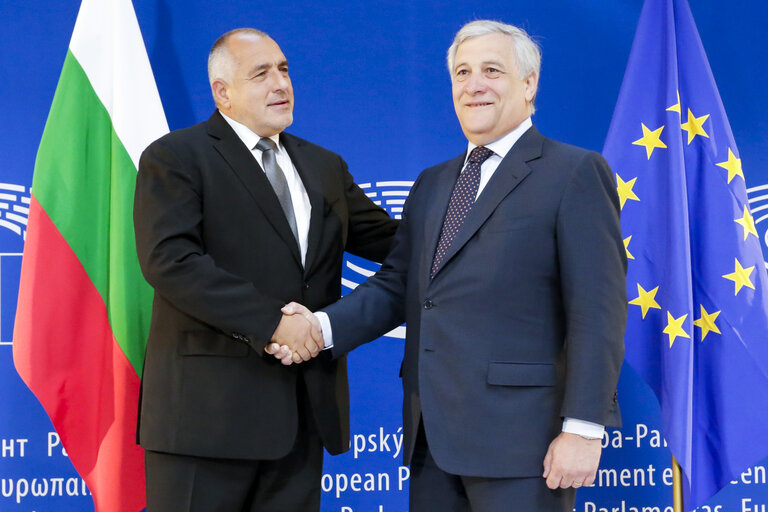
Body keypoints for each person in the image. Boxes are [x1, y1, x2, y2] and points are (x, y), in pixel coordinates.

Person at [269, 20, 627, 511]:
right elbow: (399, 287)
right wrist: (319, 328)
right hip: (431, 440)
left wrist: (585, 429)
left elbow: (598, 311)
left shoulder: (574, 173)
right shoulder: (433, 183)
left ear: (529, 84)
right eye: (462, 72)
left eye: (492, 70)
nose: (473, 84)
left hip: (523, 445)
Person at [133, 28, 398, 511]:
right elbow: (171, 261)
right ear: (223, 93)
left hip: (301, 417)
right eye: (261, 74)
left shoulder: (323, 165)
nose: (281, 84)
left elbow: (392, 242)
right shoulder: (176, 157)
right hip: (205, 422)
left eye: (284, 70)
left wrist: (474, 222)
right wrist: (273, 323)